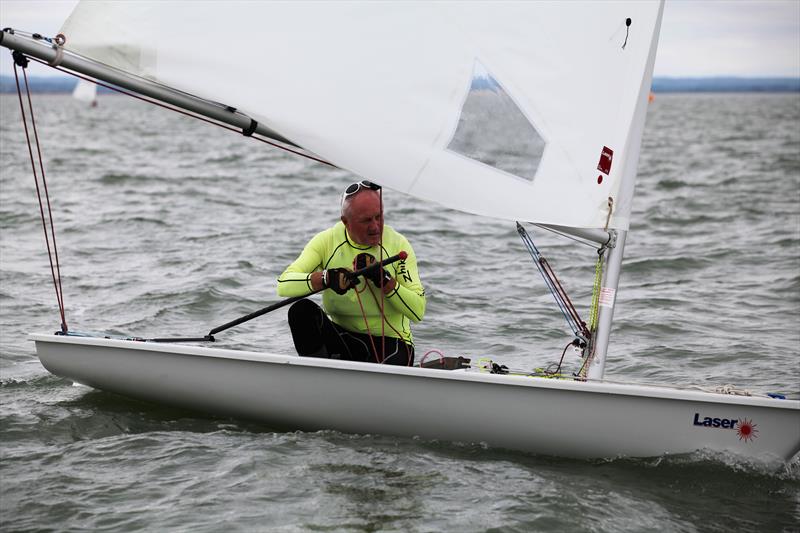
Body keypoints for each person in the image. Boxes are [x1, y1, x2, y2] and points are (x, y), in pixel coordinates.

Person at [277, 180, 425, 365]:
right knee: (300, 311)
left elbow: (418, 310)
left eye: (379, 217)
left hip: (392, 343)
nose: (375, 227)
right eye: (366, 220)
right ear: (345, 222)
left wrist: (384, 279)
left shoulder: (398, 245)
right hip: (344, 339)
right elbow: (284, 285)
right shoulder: (327, 241)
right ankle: (321, 376)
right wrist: (325, 278)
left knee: (390, 358)